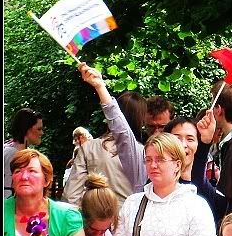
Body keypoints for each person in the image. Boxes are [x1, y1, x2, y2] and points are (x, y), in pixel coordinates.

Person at [78, 63, 198, 194]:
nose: (154, 165)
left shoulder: (194, 199)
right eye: (149, 160)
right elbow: (121, 132)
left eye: (161, 159)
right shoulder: (138, 157)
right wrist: (100, 87)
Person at [63, 90, 144, 207]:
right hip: (131, 219)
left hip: (96, 219)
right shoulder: (145, 152)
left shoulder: (88, 148)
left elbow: (71, 196)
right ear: (140, 119)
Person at [4, 108, 43, 198]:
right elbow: (7, 190)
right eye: (39, 129)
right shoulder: (12, 154)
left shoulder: (20, 152)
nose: (42, 133)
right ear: (27, 129)